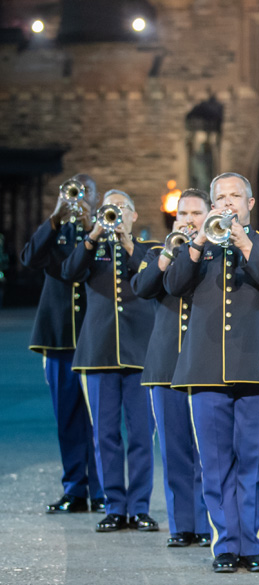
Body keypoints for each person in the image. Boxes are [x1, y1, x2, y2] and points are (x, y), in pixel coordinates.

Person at [165, 173, 259, 573]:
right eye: (221, 196)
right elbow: (174, 283)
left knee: (254, 464)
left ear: (250, 204)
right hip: (205, 369)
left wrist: (245, 244)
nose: (228, 202)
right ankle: (224, 545)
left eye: (236, 196)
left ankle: (249, 544)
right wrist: (201, 238)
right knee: (216, 465)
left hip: (257, 368)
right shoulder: (198, 246)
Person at [60, 189, 158, 533]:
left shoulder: (149, 249)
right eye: (109, 209)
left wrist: (129, 244)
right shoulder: (91, 249)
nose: (115, 214)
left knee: (142, 434)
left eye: (121, 209)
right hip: (99, 353)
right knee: (105, 435)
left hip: (140, 354)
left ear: (133, 215)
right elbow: (69, 272)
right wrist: (94, 236)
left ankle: (140, 506)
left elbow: (152, 277)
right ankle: (115, 505)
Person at [21, 174, 105, 514]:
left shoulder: (103, 230)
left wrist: (90, 228)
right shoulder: (54, 231)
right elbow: (29, 258)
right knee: (67, 418)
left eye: (85, 193)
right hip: (58, 338)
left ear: (96, 199)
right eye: (73, 192)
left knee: (99, 419)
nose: (78, 198)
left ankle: (102, 489)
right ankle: (75, 489)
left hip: (93, 338)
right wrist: (55, 217)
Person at [132, 189, 212, 547]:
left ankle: (209, 523)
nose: (189, 219)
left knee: (208, 450)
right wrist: (167, 253)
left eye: (196, 212)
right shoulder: (157, 253)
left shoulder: (214, 250)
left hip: (206, 364)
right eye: (183, 213)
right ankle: (183, 526)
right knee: (174, 448)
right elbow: (142, 287)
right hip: (166, 364)